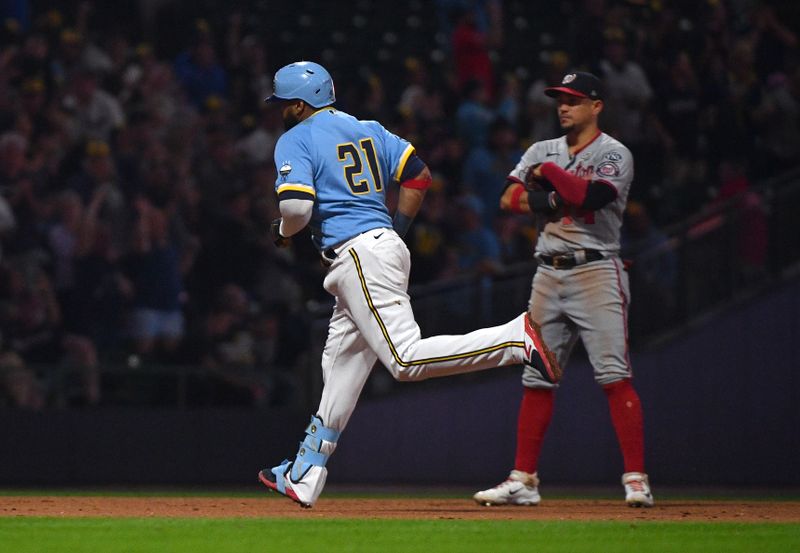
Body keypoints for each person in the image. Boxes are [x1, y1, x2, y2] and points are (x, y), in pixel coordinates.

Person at [257, 61, 560, 508]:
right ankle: (305, 472)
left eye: (284, 104)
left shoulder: (296, 138)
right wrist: (394, 229)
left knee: (404, 359)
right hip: (377, 249)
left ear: (300, 104)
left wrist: (282, 233)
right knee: (339, 367)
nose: (280, 111)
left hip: (358, 254)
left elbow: (298, 210)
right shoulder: (369, 128)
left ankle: (516, 337)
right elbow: (418, 175)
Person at [472, 71, 654, 508]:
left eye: (573, 99)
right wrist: (553, 199)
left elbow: (592, 197)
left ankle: (635, 479)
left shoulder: (613, 152)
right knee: (537, 377)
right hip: (547, 272)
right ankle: (523, 479)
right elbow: (506, 200)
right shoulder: (540, 147)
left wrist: (550, 175)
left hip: (596, 269)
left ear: (596, 106)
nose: (563, 106)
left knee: (613, 375)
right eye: (559, 98)